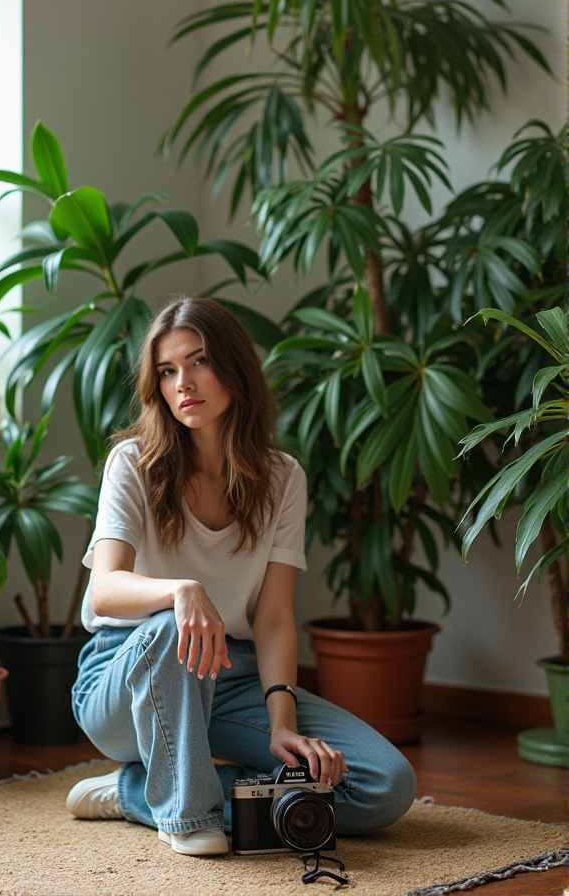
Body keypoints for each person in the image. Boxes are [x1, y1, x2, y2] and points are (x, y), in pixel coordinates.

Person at [66, 297, 416, 856]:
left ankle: (137, 790)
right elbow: (104, 590)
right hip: (127, 676)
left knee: (381, 786)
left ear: (234, 367)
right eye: (167, 370)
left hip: (232, 677)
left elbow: (274, 616)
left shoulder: (283, 478)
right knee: (168, 628)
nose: (183, 382)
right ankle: (185, 813)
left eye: (199, 361)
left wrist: (282, 723)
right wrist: (181, 591)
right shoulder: (132, 463)